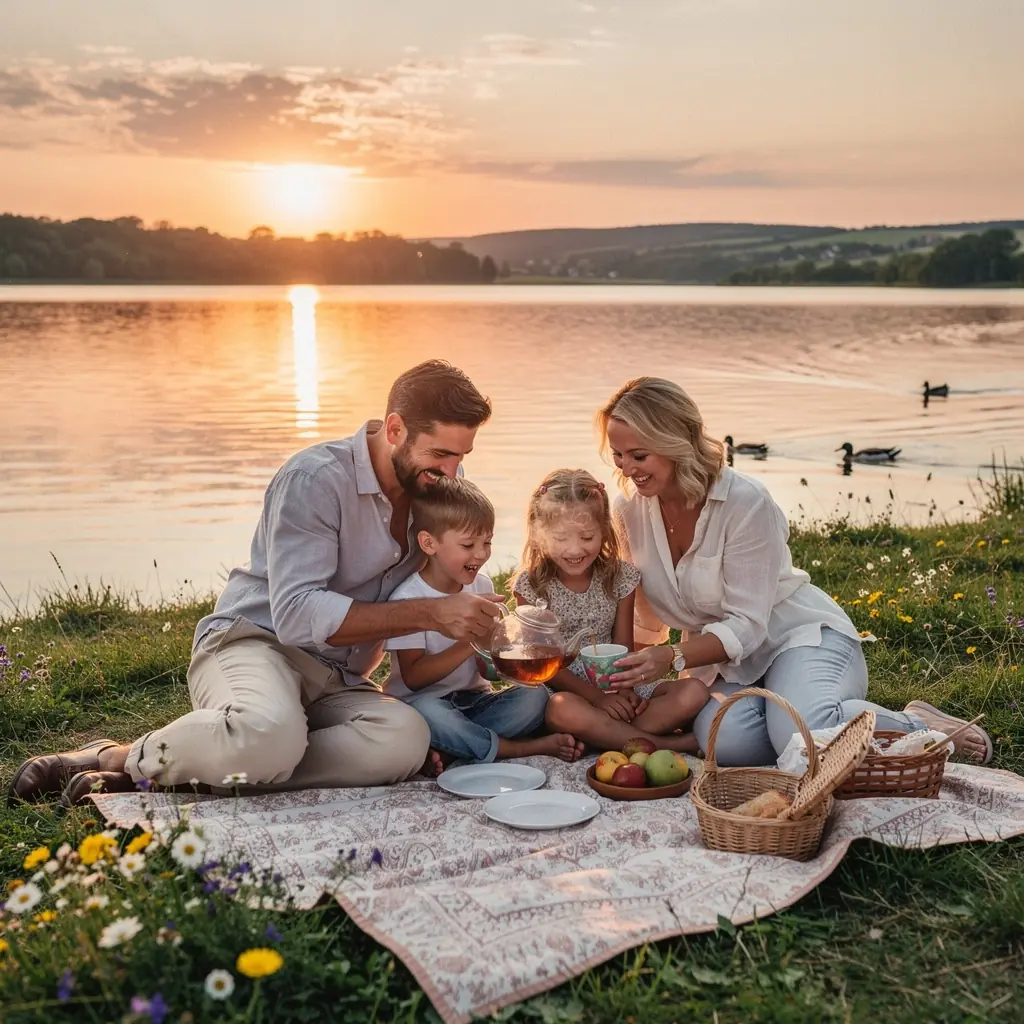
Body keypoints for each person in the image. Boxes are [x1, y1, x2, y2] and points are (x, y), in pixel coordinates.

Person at [8, 360, 507, 808]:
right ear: (395, 428)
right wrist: (431, 614)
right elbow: (295, 615)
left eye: (460, 457)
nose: (452, 472)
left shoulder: (430, 494)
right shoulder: (314, 479)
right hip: (254, 644)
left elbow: (453, 564)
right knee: (269, 735)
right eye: (440, 454)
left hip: (338, 677)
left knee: (404, 740)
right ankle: (124, 758)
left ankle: (197, 771)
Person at [594, 376, 993, 767]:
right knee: (727, 746)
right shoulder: (629, 509)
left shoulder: (745, 502)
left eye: (639, 455)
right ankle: (808, 716)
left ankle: (918, 723)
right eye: (618, 455)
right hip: (726, 666)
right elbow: (643, 610)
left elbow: (748, 625)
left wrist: (673, 656)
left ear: (675, 443)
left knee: (802, 736)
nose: (627, 468)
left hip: (797, 638)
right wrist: (632, 674)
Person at [384, 476, 580, 769]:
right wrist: (469, 642)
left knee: (535, 696)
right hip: (425, 704)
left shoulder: (481, 585)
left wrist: (499, 644)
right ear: (429, 543)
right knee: (429, 714)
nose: (481, 554)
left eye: (487, 542)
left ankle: (457, 747)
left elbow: (488, 672)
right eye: (468, 544)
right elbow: (413, 679)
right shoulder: (408, 599)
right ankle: (514, 749)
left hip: (475, 703)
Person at [516, 469, 708, 752]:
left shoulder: (620, 578)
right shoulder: (531, 586)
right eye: (560, 538)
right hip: (565, 691)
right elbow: (544, 666)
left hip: (614, 682)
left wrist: (625, 693)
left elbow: (623, 647)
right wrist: (598, 699)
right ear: (539, 533)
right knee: (562, 709)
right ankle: (665, 744)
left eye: (586, 536)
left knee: (694, 691)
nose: (574, 549)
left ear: (604, 529)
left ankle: (603, 735)